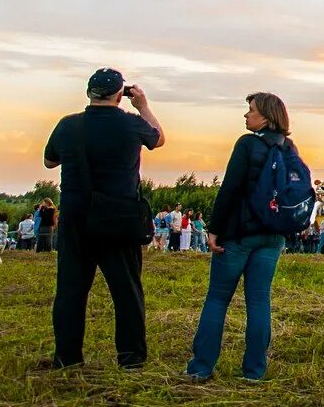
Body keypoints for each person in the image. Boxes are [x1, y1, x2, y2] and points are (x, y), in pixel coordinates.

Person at [42, 68, 165, 369]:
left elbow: (49, 160)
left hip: (75, 215)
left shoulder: (68, 125)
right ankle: (131, 357)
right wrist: (144, 106)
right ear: (119, 94)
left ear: (89, 92)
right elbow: (158, 139)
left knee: (71, 290)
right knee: (127, 292)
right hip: (118, 217)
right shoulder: (131, 124)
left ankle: (67, 358)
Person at [187, 92, 298, 381]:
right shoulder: (289, 147)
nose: (246, 115)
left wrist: (214, 228)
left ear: (266, 116)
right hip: (273, 236)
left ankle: (201, 367)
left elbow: (230, 189)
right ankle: (254, 370)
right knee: (260, 301)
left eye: (250, 110)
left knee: (218, 298)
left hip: (239, 233)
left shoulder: (247, 144)